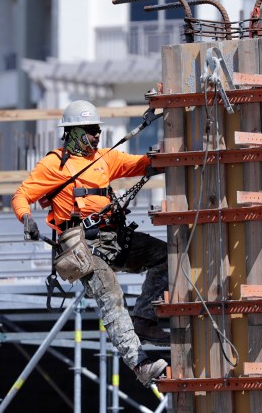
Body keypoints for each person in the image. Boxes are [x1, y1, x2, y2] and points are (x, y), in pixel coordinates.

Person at [11, 100, 169, 386]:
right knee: (112, 297)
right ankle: (140, 364)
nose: (97, 135)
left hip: (114, 239)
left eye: (98, 129)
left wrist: (166, 159)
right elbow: (21, 195)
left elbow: (140, 164)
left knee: (166, 256)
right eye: (92, 130)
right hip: (83, 248)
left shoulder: (104, 158)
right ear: (74, 132)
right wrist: (27, 219)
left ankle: (145, 319)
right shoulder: (53, 164)